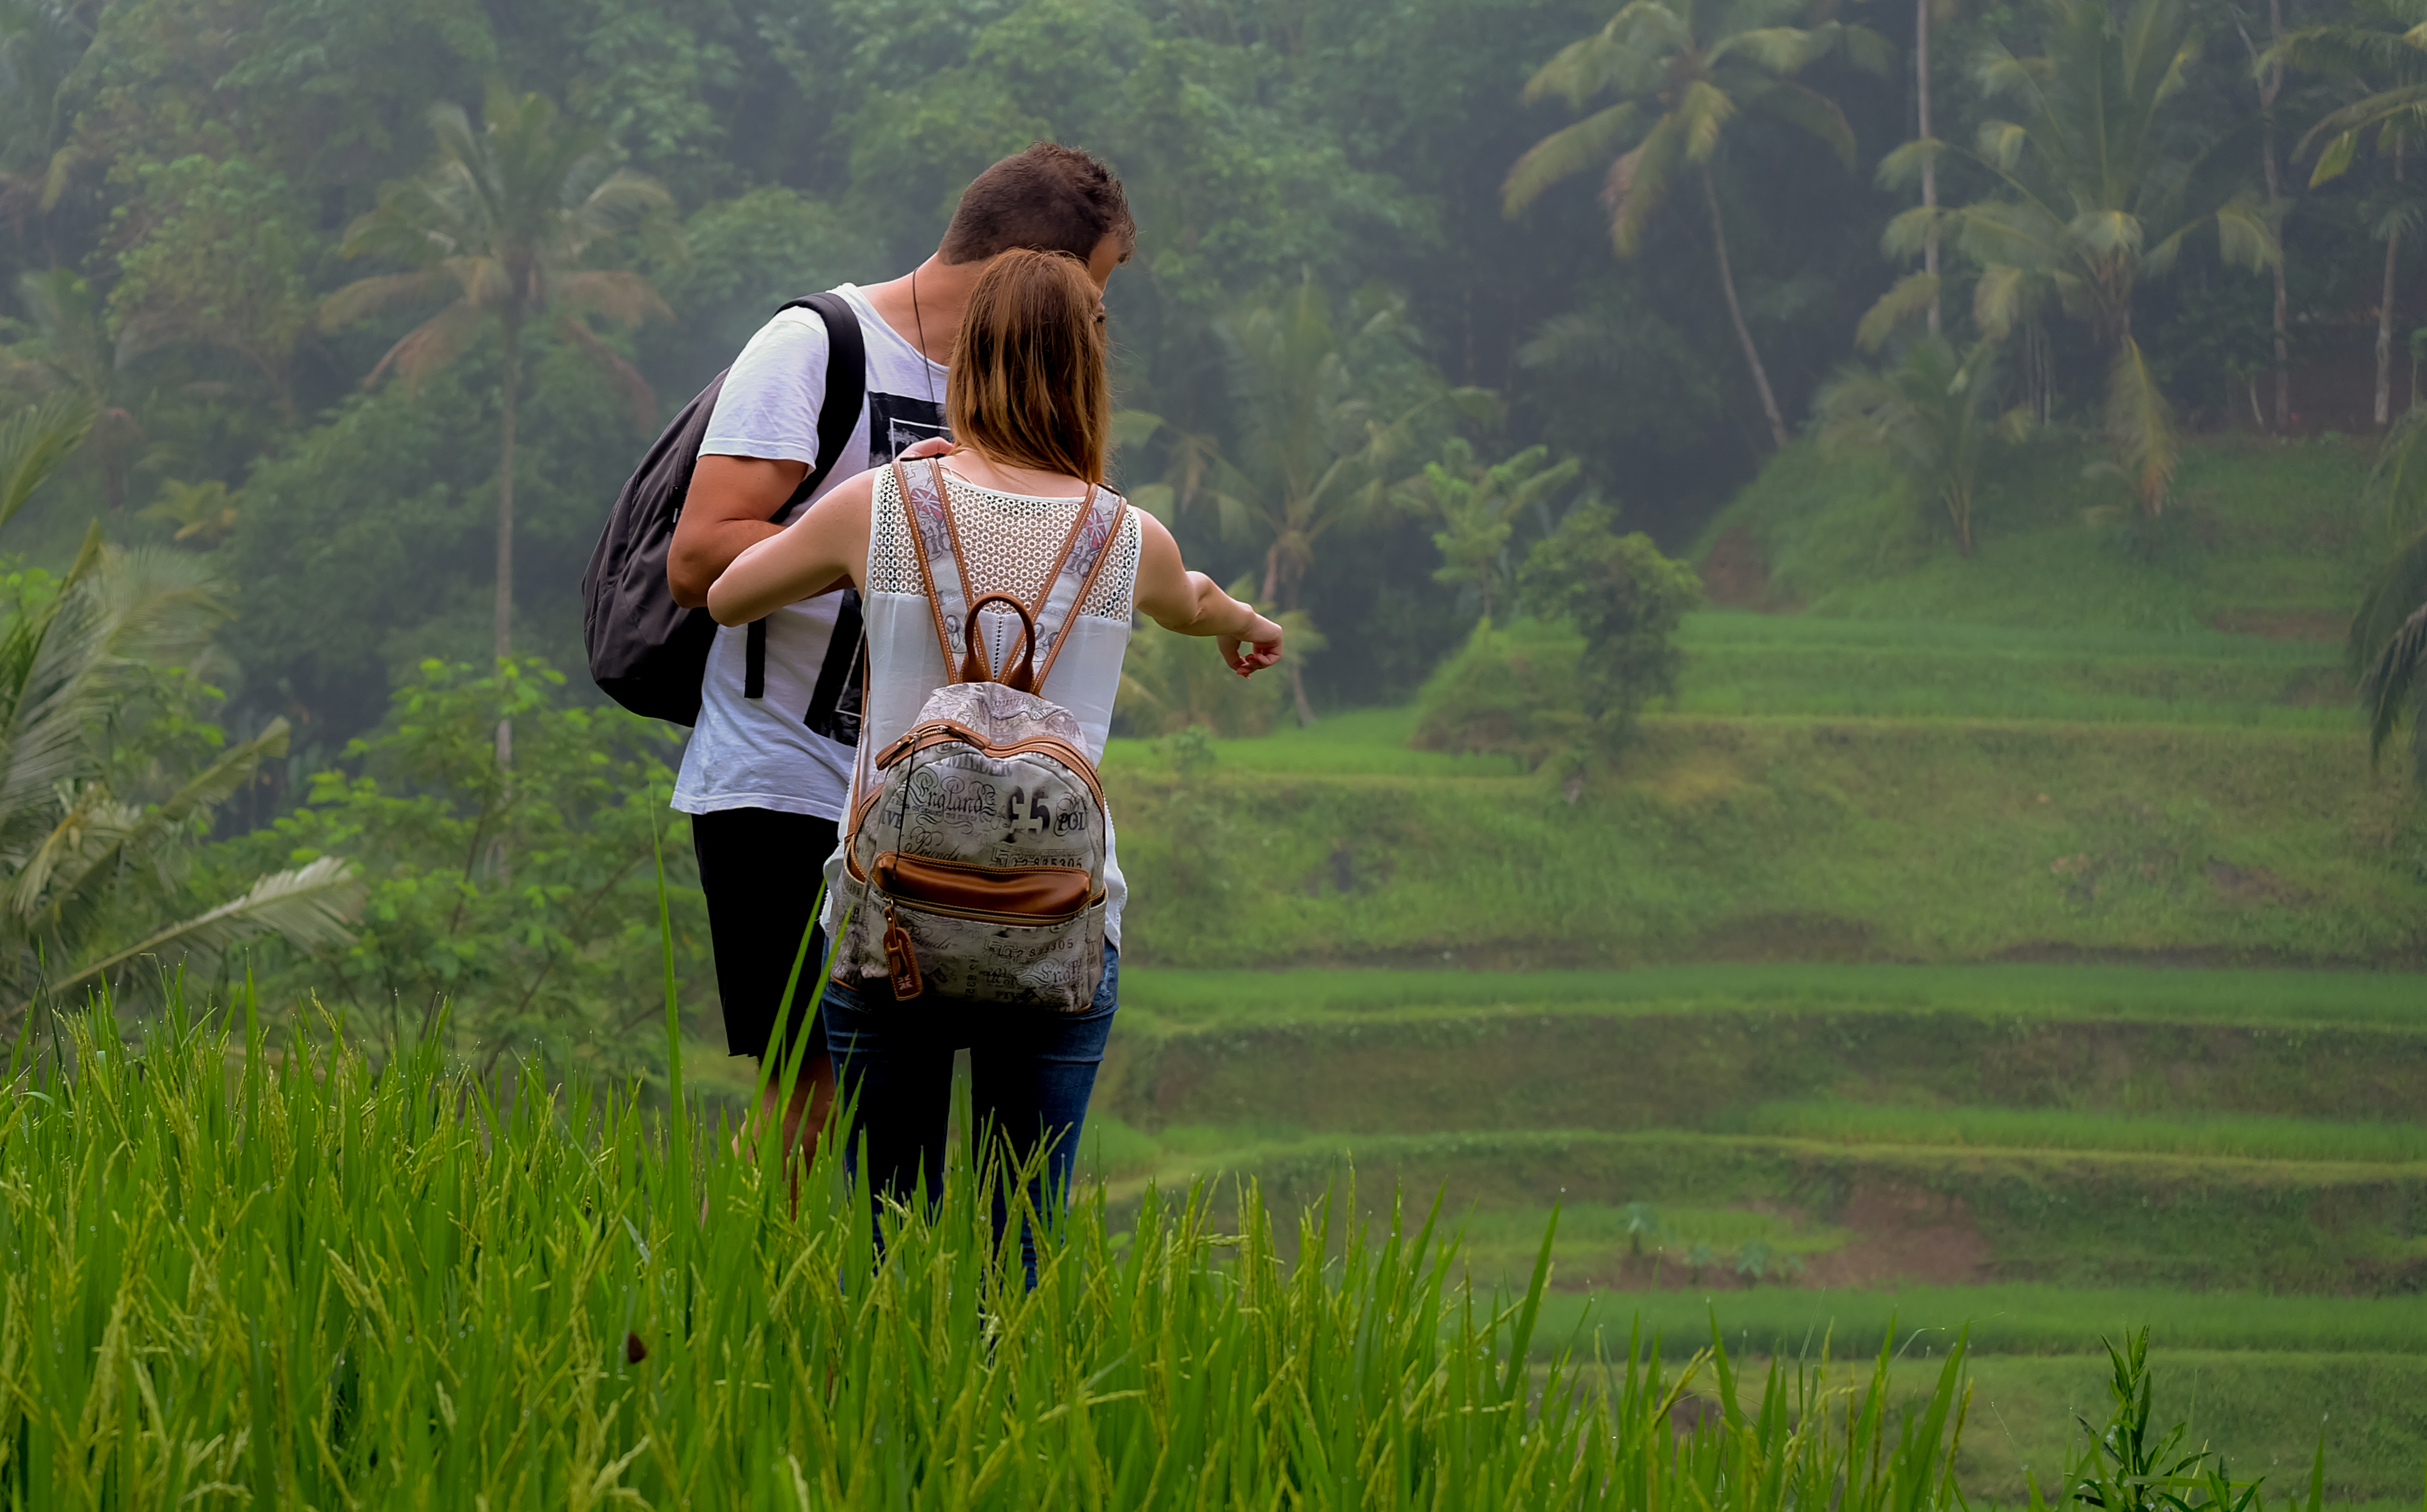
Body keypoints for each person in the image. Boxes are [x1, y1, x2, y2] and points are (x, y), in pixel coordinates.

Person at [704, 248, 1284, 1250]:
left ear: (969, 363)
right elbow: (1193, 604)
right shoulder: (1126, 536)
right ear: (1088, 373)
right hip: (1059, 928)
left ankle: (905, 1398)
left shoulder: (878, 505)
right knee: (1019, 1237)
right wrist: (1246, 623)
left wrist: (875, 507)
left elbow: (726, 595)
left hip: (889, 920)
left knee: (895, 1236)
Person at [666, 144, 1135, 1159]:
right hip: (788, 778)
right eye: (1085, 293)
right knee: (814, 1084)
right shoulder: (817, 346)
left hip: (954, 804)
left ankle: (885, 1299)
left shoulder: (1016, 386)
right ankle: (772, 1303)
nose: (1088, 327)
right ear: (1026, 267)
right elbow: (701, 558)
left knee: (915, 1097)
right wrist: (882, 538)